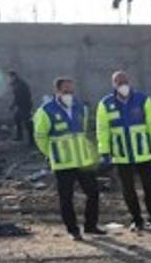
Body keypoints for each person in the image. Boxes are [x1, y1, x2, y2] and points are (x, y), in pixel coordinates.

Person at [33, 77, 103, 240]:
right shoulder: (46, 111)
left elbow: (83, 132)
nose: (69, 94)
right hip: (63, 163)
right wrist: (51, 154)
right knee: (66, 198)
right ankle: (73, 230)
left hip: (83, 161)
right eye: (66, 92)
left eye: (71, 91)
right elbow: (40, 137)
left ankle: (91, 226)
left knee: (93, 193)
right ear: (57, 91)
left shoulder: (80, 108)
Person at [96, 70, 151, 232]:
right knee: (128, 190)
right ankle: (137, 220)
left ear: (129, 81)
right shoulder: (106, 104)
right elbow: (102, 129)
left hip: (143, 152)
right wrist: (104, 151)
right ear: (113, 84)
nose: (123, 85)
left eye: (124, 81)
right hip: (121, 155)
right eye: (119, 82)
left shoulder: (142, 100)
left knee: (149, 188)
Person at [7, 70, 34, 143]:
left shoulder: (19, 85)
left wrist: (12, 106)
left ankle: (32, 140)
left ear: (14, 77)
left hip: (25, 106)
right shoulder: (18, 84)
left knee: (27, 123)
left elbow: (18, 98)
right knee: (17, 119)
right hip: (22, 106)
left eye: (10, 77)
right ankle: (20, 137)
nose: (8, 79)